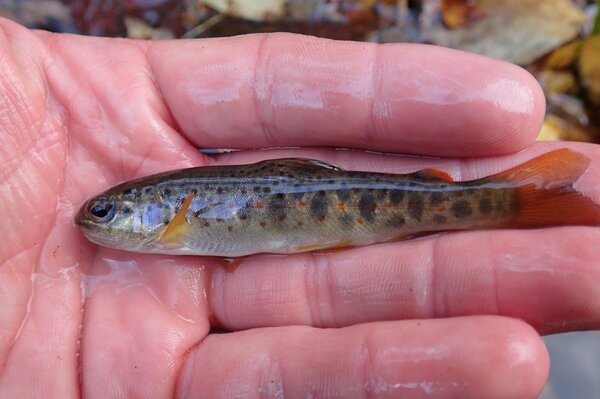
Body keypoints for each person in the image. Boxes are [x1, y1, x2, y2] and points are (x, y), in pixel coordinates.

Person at [0, 17, 597, 398]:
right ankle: (515, 200)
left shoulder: (177, 211)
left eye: (106, 213)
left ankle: (514, 201)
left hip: (342, 202)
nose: (91, 220)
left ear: (158, 212)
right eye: (103, 212)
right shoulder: (171, 209)